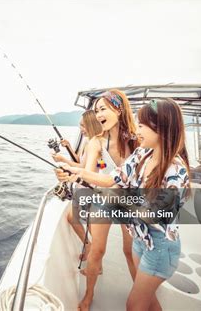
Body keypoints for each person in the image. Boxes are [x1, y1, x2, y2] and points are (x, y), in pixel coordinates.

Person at [56, 98, 190, 311]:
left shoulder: (176, 170)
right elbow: (112, 178)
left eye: (143, 125)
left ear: (162, 128)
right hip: (140, 238)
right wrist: (77, 173)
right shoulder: (142, 154)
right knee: (149, 300)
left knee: (134, 305)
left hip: (159, 245)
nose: (138, 130)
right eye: (137, 123)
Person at [58, 89, 139, 311]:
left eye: (103, 108)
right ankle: (89, 295)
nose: (98, 114)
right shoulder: (95, 142)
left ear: (119, 109)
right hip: (102, 201)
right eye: (96, 110)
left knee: (131, 252)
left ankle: (141, 292)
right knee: (97, 251)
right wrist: (71, 171)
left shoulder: (137, 140)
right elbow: (89, 171)